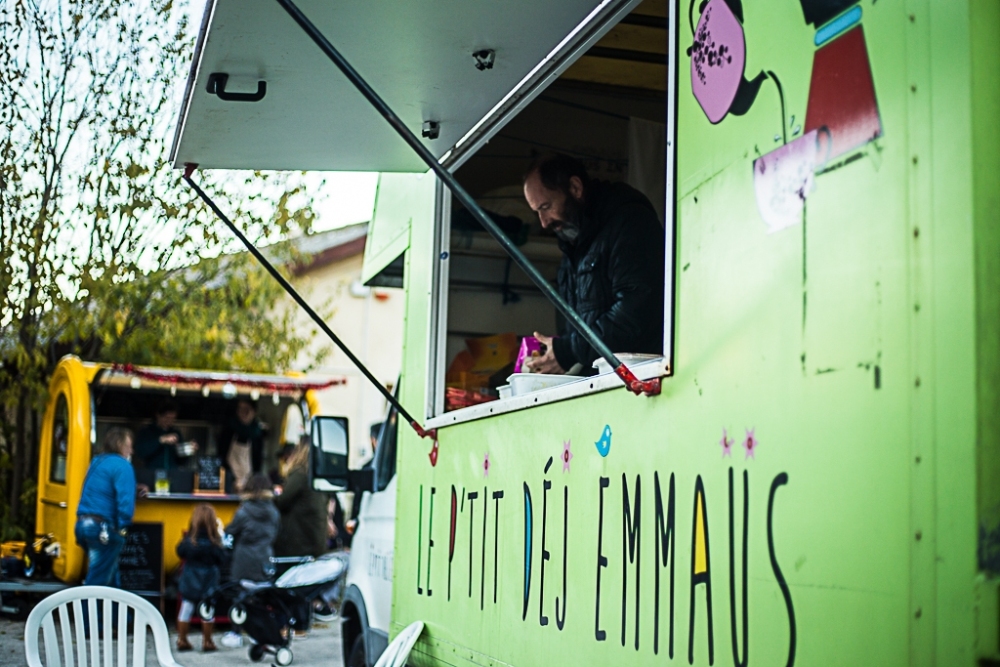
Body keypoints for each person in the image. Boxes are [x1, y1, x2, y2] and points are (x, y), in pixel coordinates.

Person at [521, 154, 665, 375]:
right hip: (608, 381)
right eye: (537, 212)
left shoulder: (628, 221)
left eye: (547, 206)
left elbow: (635, 309)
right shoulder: (575, 243)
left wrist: (569, 350)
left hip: (641, 381)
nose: (543, 222)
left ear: (575, 188)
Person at [273, 441, 328, 636]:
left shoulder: (299, 475)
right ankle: (301, 626)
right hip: (314, 540)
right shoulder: (318, 478)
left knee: (287, 583)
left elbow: (283, 501)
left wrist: (276, 493)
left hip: (296, 541)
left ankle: (284, 626)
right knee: (304, 584)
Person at [220, 473, 280, 648]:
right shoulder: (274, 512)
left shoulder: (243, 511)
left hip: (243, 560)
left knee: (240, 596)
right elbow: (276, 533)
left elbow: (230, 532)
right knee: (261, 598)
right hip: (265, 559)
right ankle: (257, 634)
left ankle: (235, 633)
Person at [75, 427, 137, 587]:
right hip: (102, 529)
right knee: (97, 583)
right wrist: (123, 528)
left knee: (110, 578)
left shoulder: (97, 462)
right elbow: (125, 501)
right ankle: (85, 612)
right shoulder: (123, 465)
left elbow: (101, 490)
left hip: (83, 525)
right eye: (129, 445)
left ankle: (119, 613)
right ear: (120, 445)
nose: (132, 450)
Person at [175, 503, 226, 653]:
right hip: (209, 578)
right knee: (207, 610)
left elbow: (180, 551)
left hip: (190, 577)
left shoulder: (189, 541)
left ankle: (182, 639)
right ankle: (207, 641)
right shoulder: (215, 543)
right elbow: (222, 559)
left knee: (186, 608)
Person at [219, 399, 267, 491]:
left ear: (253, 412)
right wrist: (230, 478)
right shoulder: (229, 429)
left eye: (246, 410)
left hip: (250, 481)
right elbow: (222, 455)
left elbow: (258, 460)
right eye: (240, 409)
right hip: (230, 480)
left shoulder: (257, 432)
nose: (243, 413)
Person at [136, 399, 197, 470]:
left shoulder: (176, 433)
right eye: (167, 418)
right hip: (152, 473)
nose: (170, 421)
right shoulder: (146, 432)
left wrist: (188, 450)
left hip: (172, 474)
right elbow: (140, 453)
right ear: (158, 415)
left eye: (173, 419)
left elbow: (181, 461)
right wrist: (161, 440)